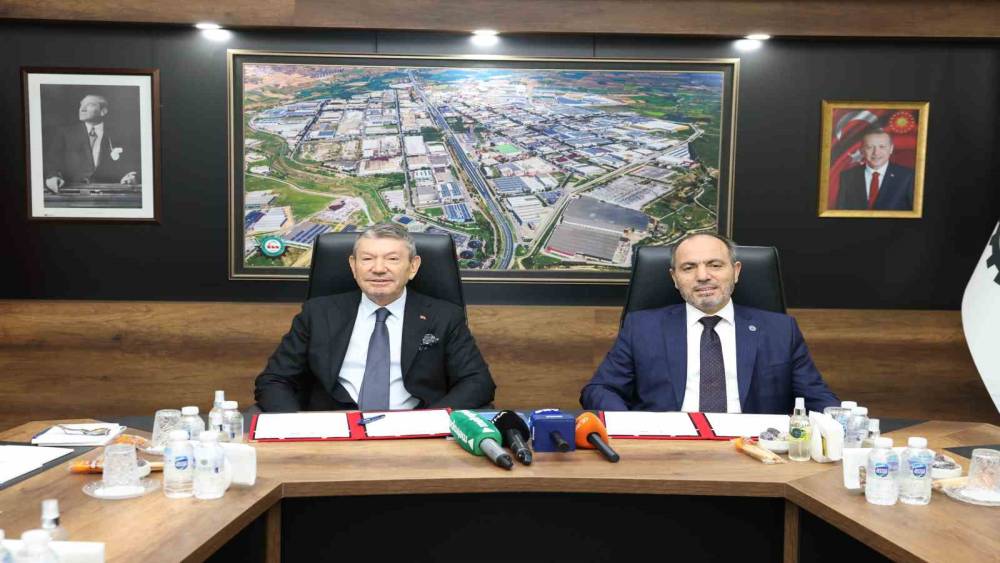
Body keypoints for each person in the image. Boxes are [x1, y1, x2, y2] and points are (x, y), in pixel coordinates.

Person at [580, 233, 839, 414]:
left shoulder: (780, 330)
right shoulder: (642, 328)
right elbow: (599, 390)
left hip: (756, 451)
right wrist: (633, 427)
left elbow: (817, 398)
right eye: (688, 268)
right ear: (674, 277)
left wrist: (843, 425)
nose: (703, 276)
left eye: (715, 265)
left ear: (736, 271)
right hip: (667, 449)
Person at [255, 223, 496, 412]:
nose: (379, 269)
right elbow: (274, 380)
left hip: (414, 433)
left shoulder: (444, 316)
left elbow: (477, 382)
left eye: (392, 259)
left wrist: (431, 422)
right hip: (333, 433)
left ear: (413, 266)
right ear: (353, 266)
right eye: (367, 259)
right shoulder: (317, 313)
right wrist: (297, 428)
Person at [43, 94, 139, 193]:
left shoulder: (119, 135)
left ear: (103, 111)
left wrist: (131, 176)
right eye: (81, 105)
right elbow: (52, 163)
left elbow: (132, 165)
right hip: (72, 193)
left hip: (110, 193)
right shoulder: (65, 134)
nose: (82, 109)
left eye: (90, 105)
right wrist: (52, 177)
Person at [835, 128, 914, 211]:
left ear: (891, 149)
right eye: (869, 147)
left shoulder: (907, 176)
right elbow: (841, 211)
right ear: (862, 150)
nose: (876, 152)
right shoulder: (848, 176)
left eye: (882, 147)